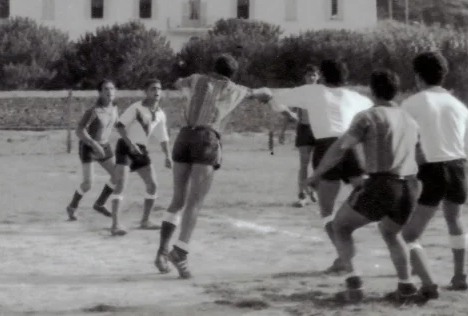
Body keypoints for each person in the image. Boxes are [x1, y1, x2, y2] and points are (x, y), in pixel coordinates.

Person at [306, 69, 423, 304]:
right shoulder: (409, 119)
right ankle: (406, 287)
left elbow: (340, 147)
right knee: (392, 233)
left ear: (372, 90)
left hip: (383, 183)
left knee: (340, 226)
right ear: (396, 91)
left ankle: (354, 284)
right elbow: (421, 156)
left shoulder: (367, 117)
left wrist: (316, 175)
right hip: (410, 186)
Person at [153, 54, 272, 279]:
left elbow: (178, 82)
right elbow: (262, 93)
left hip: (184, 136)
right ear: (232, 74)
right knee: (194, 203)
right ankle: (180, 251)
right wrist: (268, 95)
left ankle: (162, 252)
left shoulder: (197, 79)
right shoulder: (234, 88)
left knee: (177, 200)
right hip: (207, 138)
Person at [265, 59, 374, 274]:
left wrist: (281, 109)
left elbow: (275, 96)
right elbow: (373, 111)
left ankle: (344, 255)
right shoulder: (356, 97)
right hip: (351, 149)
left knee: (326, 211)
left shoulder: (312, 91)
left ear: (322, 76)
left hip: (326, 148)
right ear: (346, 77)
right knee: (367, 195)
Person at [400, 51, 468, 298]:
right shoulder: (458, 105)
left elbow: (405, 143)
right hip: (457, 166)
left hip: (430, 169)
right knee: (454, 219)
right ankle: (460, 276)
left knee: (408, 234)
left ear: (418, 77)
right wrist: (466, 177)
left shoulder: (412, 103)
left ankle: (425, 280)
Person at [110, 79, 172, 236]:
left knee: (152, 185)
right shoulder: (136, 108)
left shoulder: (160, 114)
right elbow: (119, 126)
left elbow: (163, 137)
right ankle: (115, 225)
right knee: (121, 184)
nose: (156, 92)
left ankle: (145, 221)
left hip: (141, 150)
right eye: (152, 89)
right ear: (146, 91)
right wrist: (130, 145)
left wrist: (168, 156)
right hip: (125, 147)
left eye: (159, 89)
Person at [66, 80, 119, 221]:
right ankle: (72, 206)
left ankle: (100, 203)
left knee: (118, 175)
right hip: (89, 147)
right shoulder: (93, 111)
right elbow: (79, 131)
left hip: (105, 145)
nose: (110, 92)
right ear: (100, 92)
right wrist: (95, 145)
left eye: (112, 89)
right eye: (106, 89)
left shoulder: (114, 108)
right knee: (88, 183)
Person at [279, 64, 320, 207]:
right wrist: (283, 131)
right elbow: (290, 113)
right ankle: (302, 194)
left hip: (320, 130)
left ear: (318, 77)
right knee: (304, 163)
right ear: (305, 77)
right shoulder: (300, 93)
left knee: (318, 164)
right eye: (309, 75)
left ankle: (313, 189)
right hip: (304, 128)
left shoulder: (322, 92)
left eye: (314, 75)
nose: (311, 77)